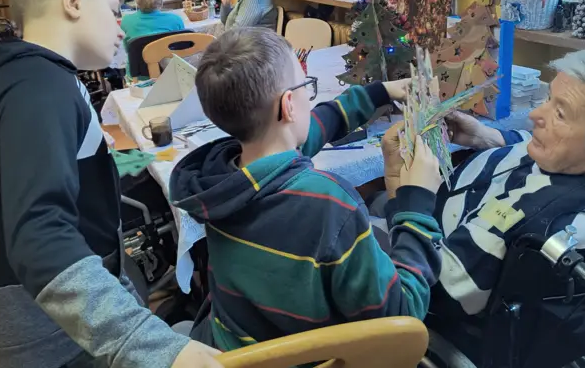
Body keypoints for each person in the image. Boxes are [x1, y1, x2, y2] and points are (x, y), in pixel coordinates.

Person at [0, 0, 220, 368]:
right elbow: (40, 236)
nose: (121, 26)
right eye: (114, 11)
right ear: (73, 1)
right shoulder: (39, 86)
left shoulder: (24, 75)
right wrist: (149, 344)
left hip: (27, 323)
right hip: (34, 339)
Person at [384, 49, 585, 367]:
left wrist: (399, 188)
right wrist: (488, 137)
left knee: (365, 214)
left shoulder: (522, 221)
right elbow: (547, 149)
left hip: (438, 261)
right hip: (542, 290)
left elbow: (422, 293)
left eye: (560, 114)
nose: (536, 114)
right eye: (549, 98)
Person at [170, 27, 443, 351]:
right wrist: (416, 205)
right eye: (305, 85)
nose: (309, 96)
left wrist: (378, 93)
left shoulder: (217, 179)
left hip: (231, 347)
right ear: (289, 105)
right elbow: (401, 314)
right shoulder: (330, 205)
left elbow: (303, 133)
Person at [120, 0, 184, 75]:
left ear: (137, 2)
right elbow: (181, 49)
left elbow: (127, 49)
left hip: (138, 74)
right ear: (161, 2)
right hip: (170, 72)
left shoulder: (126, 21)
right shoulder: (175, 20)